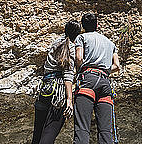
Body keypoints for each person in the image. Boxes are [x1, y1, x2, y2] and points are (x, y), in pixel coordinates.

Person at [31, 20, 82, 144]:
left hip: (45, 89)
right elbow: (68, 76)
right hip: (58, 93)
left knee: (37, 135)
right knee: (49, 133)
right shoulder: (71, 47)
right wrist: (69, 100)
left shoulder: (56, 43)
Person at [73, 13, 120, 144]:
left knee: (82, 128)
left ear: (82, 26)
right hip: (105, 83)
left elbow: (79, 58)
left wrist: (79, 71)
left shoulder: (81, 37)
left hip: (88, 79)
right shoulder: (110, 43)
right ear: (97, 25)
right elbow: (117, 66)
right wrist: (103, 69)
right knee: (106, 131)